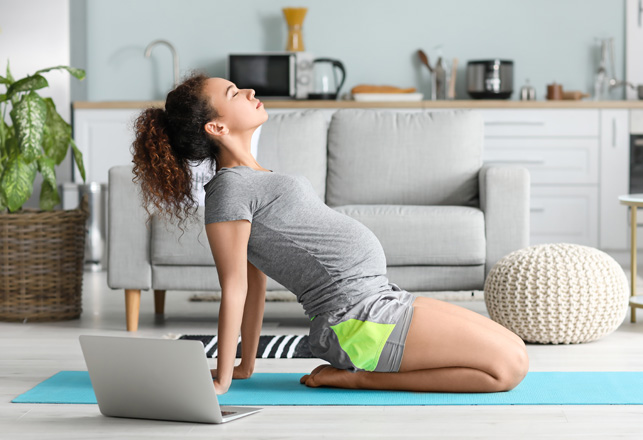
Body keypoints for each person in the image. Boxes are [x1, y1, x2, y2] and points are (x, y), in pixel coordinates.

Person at [131, 71, 529, 395]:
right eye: (234, 92)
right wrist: (222, 377)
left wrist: (246, 364)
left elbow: (257, 282)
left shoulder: (254, 178)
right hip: (356, 322)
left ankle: (364, 371)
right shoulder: (228, 190)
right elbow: (235, 288)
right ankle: (362, 377)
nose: (250, 90)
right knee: (506, 371)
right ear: (216, 126)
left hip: (380, 299)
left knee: (516, 351)